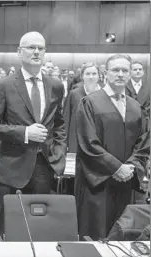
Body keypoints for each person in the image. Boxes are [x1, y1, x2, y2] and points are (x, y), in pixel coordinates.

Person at [0, 32, 66, 236]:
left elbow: (60, 124)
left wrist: (59, 155)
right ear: (19, 52)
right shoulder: (4, 85)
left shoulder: (55, 85)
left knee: (37, 229)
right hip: (12, 169)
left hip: (44, 168)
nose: (36, 51)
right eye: (30, 47)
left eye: (40, 48)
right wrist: (25, 132)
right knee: (8, 229)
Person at [75, 54, 149, 240]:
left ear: (130, 73)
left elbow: (144, 142)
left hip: (127, 182)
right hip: (98, 182)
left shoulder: (136, 107)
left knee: (123, 235)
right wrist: (116, 167)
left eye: (125, 70)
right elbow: (88, 143)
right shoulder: (90, 103)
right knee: (96, 236)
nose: (120, 74)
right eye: (115, 70)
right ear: (105, 73)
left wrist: (130, 167)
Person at [63, 63, 101, 153]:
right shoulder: (74, 94)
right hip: (76, 141)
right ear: (82, 76)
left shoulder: (105, 94)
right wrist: (64, 144)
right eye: (87, 74)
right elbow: (66, 119)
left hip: (98, 142)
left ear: (99, 76)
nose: (91, 77)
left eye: (94, 74)